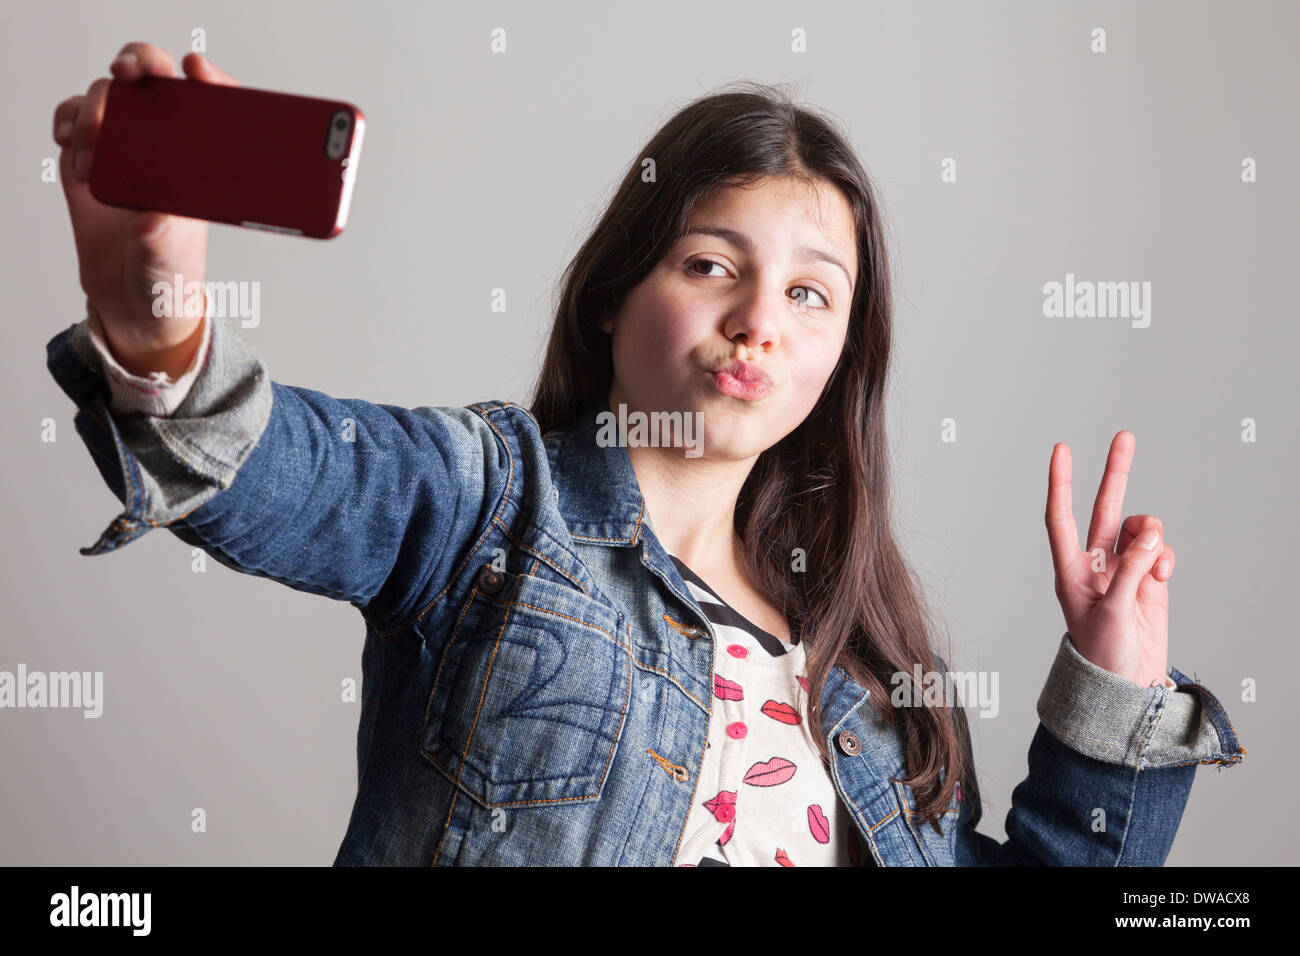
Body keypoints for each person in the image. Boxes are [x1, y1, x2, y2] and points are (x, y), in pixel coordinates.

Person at [46, 42, 1246, 866]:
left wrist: (1111, 700)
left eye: (812, 294)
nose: (760, 321)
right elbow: (272, 469)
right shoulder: (486, 507)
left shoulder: (869, 685)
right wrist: (157, 318)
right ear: (616, 295)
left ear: (843, 358)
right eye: (712, 265)